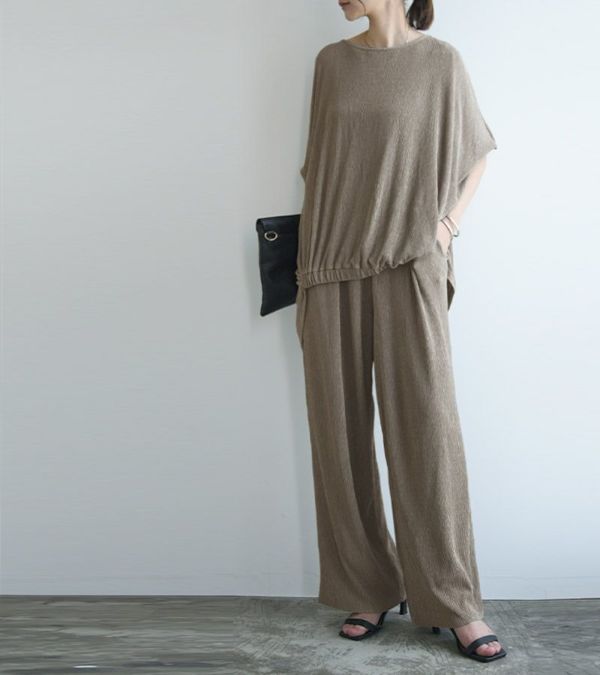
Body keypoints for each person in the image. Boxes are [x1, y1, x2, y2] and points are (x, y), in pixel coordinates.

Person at [294, 0, 507, 664]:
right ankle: (368, 587)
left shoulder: (441, 62)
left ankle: (454, 599)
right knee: (340, 437)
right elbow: (319, 168)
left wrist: (446, 227)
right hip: (329, 264)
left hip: (410, 261)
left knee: (427, 430)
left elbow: (477, 153)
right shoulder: (331, 63)